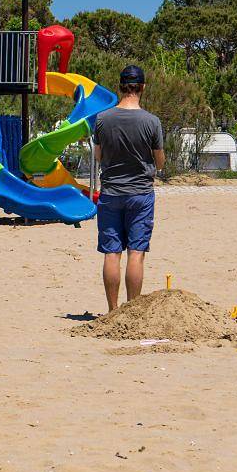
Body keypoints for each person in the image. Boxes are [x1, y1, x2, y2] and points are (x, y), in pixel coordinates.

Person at [92, 65, 166, 313]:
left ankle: (113, 311)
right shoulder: (151, 121)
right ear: (142, 87)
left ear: (120, 87)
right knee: (136, 252)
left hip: (111, 193)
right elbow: (159, 162)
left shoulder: (102, 119)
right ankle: (131, 312)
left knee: (111, 253)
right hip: (140, 193)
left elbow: (98, 156)